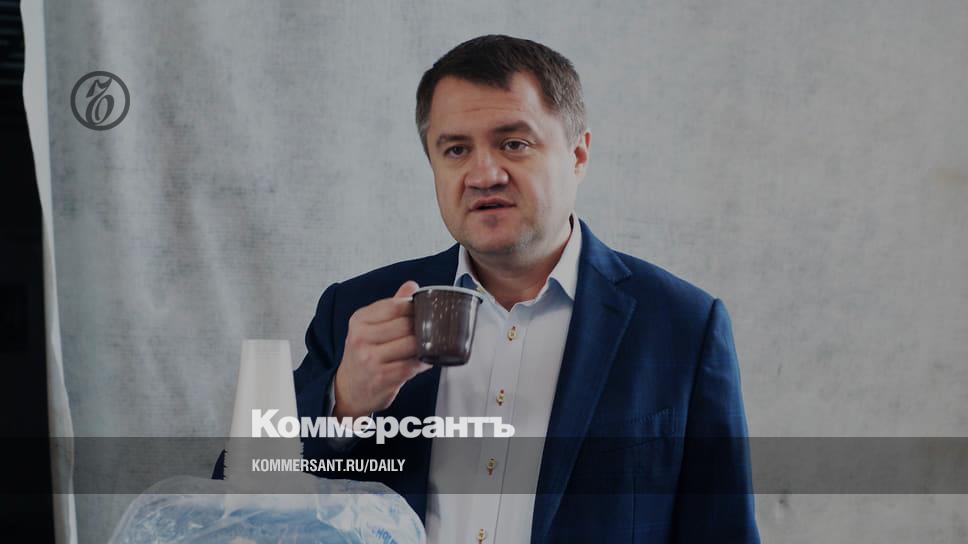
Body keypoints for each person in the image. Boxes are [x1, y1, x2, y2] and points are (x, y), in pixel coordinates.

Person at [217, 34, 759, 543]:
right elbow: (231, 507)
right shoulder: (357, 311)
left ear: (577, 155)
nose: (483, 174)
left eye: (513, 143)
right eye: (455, 150)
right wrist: (343, 407)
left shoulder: (684, 328)